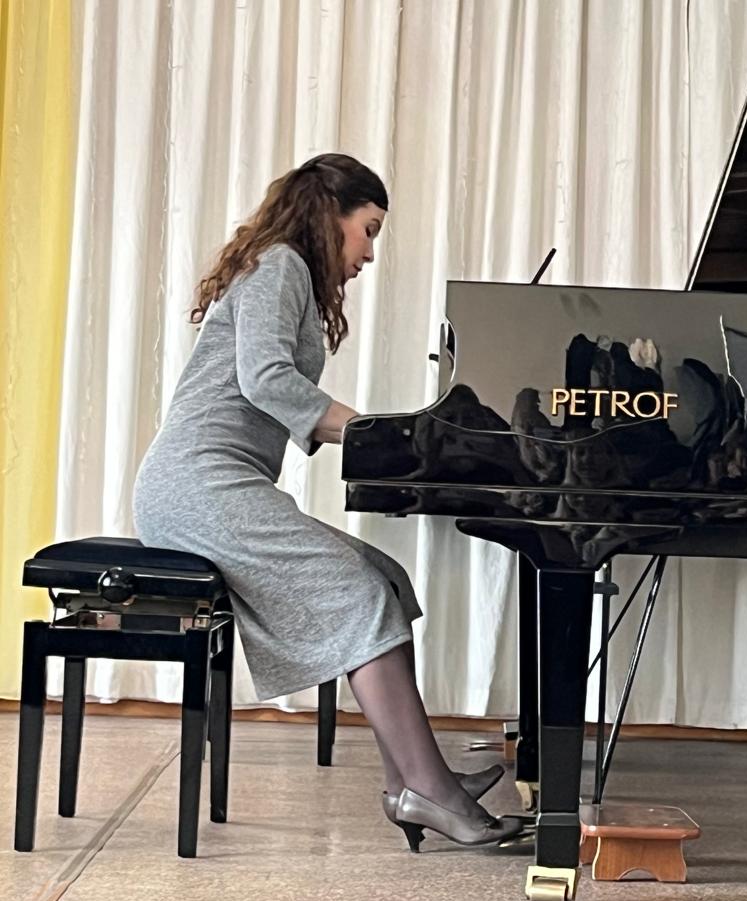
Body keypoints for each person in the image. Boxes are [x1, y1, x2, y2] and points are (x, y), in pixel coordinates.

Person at [133, 153, 523, 849]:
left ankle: (411, 781)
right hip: (196, 486)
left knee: (384, 579)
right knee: (359, 593)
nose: (369, 253)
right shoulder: (280, 264)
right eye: (367, 230)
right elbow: (265, 379)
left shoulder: (280, 270)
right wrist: (378, 433)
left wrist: (381, 434)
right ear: (327, 215)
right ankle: (429, 789)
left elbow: (272, 387)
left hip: (218, 484)